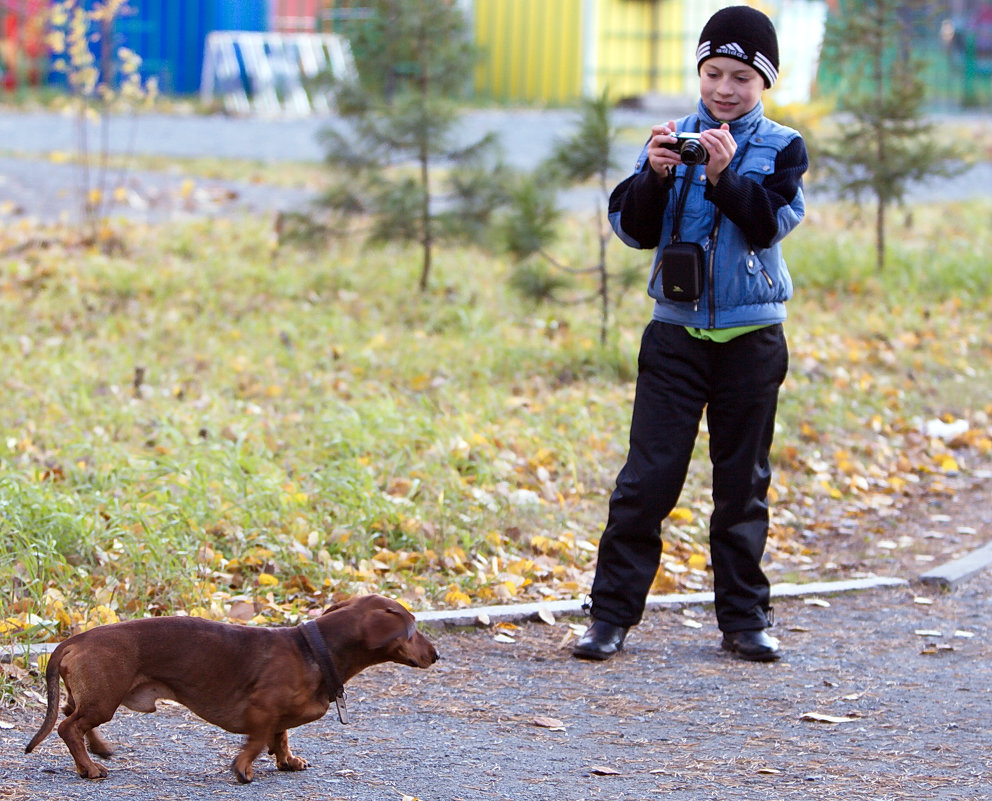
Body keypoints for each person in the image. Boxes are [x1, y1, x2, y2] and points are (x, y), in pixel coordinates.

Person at [573, 5, 808, 663]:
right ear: (699, 73)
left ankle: (744, 620)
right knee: (646, 482)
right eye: (712, 73)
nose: (724, 89)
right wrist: (653, 173)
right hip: (674, 337)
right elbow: (635, 230)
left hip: (752, 339)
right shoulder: (673, 138)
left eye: (739, 76)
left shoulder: (783, 147)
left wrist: (724, 177)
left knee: (741, 485)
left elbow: (767, 224)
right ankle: (609, 617)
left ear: (764, 80)